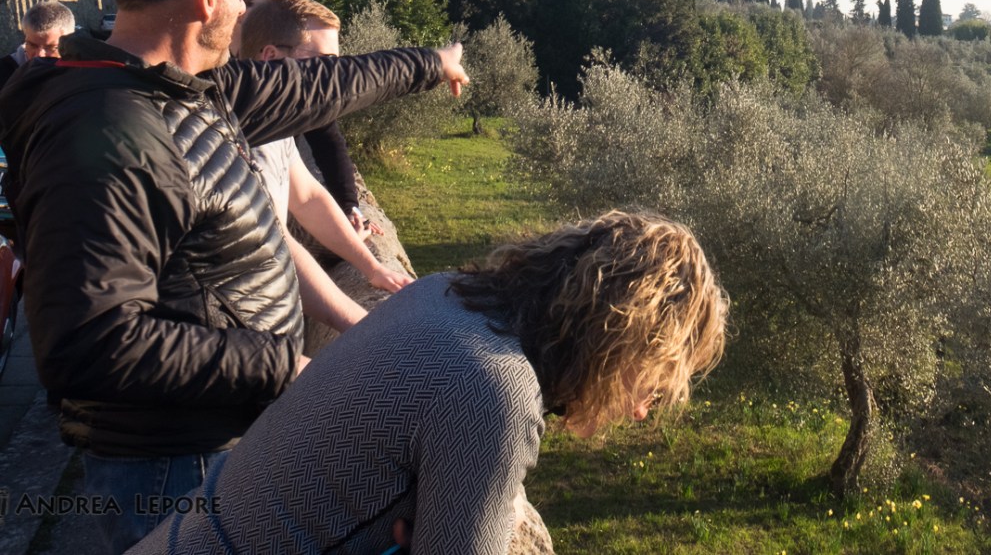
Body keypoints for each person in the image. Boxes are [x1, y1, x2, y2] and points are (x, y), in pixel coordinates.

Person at [0, 0, 468, 554]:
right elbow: (91, 343)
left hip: (211, 443)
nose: (247, 11)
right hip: (175, 468)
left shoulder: (185, 90)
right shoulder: (111, 130)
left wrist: (432, 63)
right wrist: (284, 365)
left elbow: (320, 84)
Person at [129, 210, 729, 555]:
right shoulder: (494, 390)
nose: (643, 410)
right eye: (652, 382)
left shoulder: (442, 293)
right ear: (615, 342)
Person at [237, 0, 411, 292]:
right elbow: (281, 248)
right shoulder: (247, 140)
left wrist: (351, 212)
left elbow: (312, 186)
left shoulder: (278, 124)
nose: (333, 75)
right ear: (270, 57)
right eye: (322, 62)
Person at [0, 0, 75, 89]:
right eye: (32, 45)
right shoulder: (4, 74)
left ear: (70, 41)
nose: (39, 55)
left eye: (51, 47)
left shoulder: (84, 71)